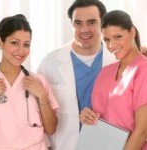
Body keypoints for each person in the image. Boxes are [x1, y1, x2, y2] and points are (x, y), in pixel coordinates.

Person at [38, 0, 116, 150]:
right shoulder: (50, 62)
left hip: (107, 144)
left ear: (103, 23)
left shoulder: (118, 59)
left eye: (91, 22)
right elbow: (36, 109)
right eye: (78, 23)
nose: (84, 29)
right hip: (64, 145)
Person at [80, 10, 147, 150]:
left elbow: (142, 132)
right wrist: (87, 116)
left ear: (132, 32)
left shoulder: (143, 69)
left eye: (117, 37)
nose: (111, 45)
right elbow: (101, 116)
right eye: (107, 40)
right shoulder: (105, 72)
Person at [0, 14, 58, 150]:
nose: (21, 50)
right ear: (1, 41)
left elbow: (51, 129)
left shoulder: (38, 81)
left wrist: (42, 97)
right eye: (14, 43)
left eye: (26, 45)